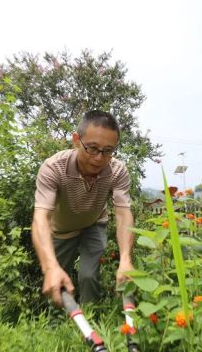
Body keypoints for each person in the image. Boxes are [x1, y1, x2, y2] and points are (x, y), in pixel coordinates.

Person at [31, 110, 135, 307]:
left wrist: (125, 260)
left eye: (107, 151)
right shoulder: (54, 168)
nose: (99, 158)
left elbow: (123, 215)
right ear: (76, 140)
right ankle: (57, 326)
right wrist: (50, 266)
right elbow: (41, 218)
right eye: (93, 148)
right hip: (61, 231)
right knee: (58, 280)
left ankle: (91, 317)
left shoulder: (117, 171)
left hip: (94, 224)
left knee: (88, 276)